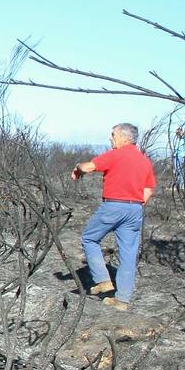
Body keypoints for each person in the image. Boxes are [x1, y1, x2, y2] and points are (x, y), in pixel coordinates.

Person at [71, 123, 157, 311]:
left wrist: (77, 168)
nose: (111, 138)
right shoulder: (144, 161)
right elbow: (148, 189)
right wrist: (134, 204)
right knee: (128, 254)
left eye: (113, 134)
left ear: (125, 138)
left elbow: (88, 167)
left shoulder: (116, 154)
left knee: (89, 238)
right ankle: (122, 300)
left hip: (114, 205)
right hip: (135, 209)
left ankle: (103, 280)